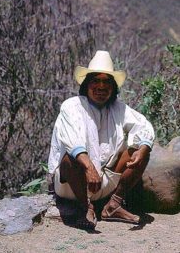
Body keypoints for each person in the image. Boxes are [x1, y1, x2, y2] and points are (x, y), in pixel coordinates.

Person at [48, 50, 155, 230]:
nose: (101, 86)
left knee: (140, 151)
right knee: (69, 159)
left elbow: (143, 126)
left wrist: (144, 147)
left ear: (113, 87)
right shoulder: (72, 106)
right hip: (74, 186)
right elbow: (72, 142)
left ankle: (113, 205)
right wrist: (89, 168)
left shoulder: (119, 108)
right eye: (95, 81)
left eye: (106, 82)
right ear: (86, 85)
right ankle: (85, 208)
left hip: (104, 181)